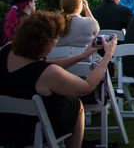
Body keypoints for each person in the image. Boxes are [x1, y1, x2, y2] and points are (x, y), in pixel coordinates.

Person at [0, 11, 116, 148]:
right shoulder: (47, 74)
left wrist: (82, 55)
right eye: (56, 39)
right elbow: (86, 87)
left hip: (5, 128)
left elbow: (43, 65)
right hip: (35, 130)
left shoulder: (7, 50)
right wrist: (107, 56)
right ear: (47, 43)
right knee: (75, 105)